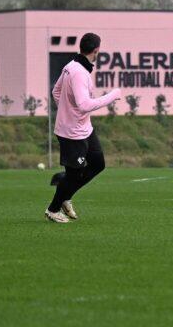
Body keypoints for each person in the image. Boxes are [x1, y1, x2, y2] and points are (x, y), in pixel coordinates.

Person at [46, 32, 121, 223]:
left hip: (84, 129)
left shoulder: (71, 66)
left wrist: (68, 112)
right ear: (96, 50)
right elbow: (84, 105)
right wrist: (112, 95)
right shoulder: (78, 72)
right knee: (73, 176)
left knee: (98, 163)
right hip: (72, 133)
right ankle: (53, 209)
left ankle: (65, 193)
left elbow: (56, 91)